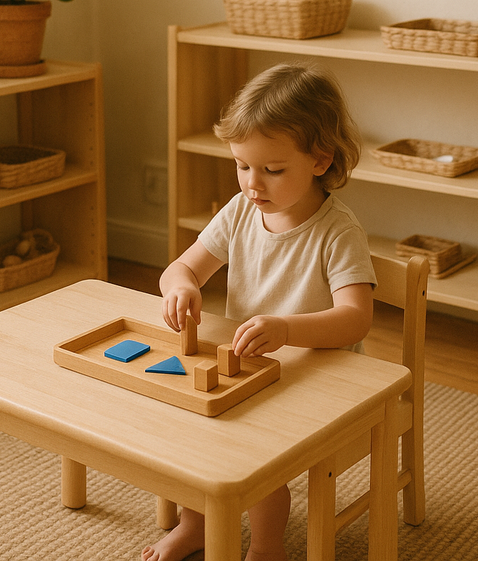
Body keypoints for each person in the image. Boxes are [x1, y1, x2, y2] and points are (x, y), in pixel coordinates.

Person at [143, 63, 377, 561]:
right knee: (193, 425)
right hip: (251, 366)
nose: (253, 184)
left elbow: (356, 318)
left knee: (251, 450)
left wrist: (286, 328)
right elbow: (181, 267)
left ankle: (268, 548)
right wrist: (180, 287)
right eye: (242, 166)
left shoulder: (339, 232)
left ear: (320, 160)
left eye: (272, 170)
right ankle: (195, 525)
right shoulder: (240, 211)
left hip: (321, 379)